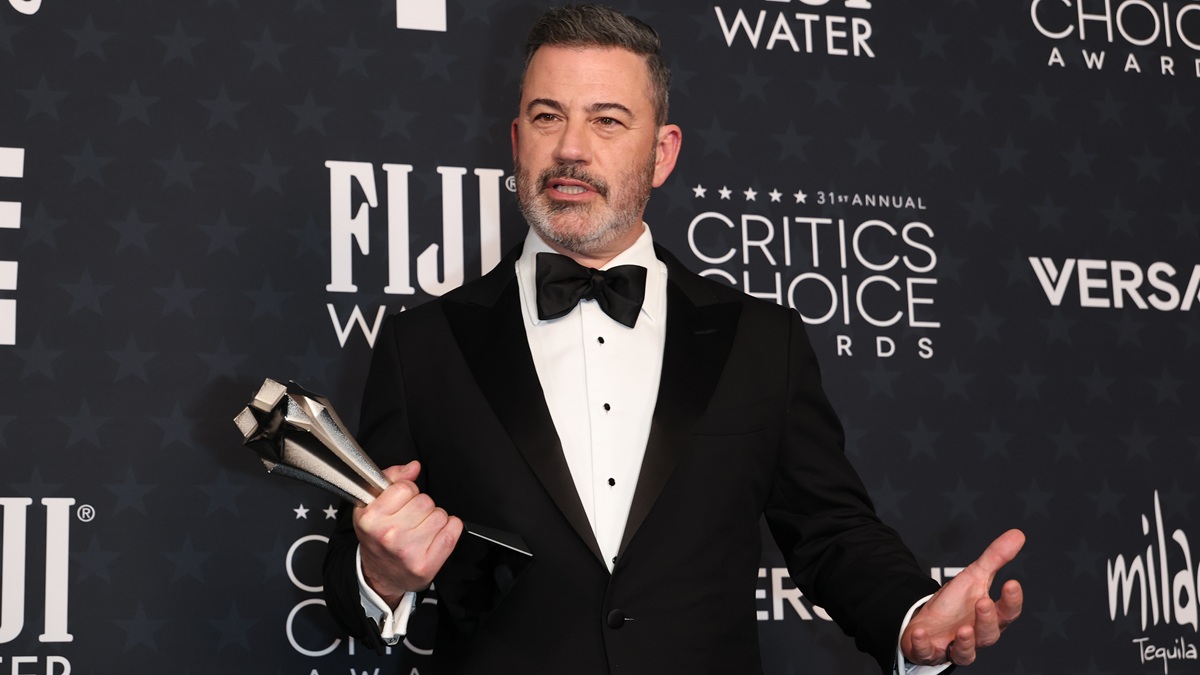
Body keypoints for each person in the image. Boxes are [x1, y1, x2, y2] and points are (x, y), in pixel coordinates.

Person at [323, 5, 1024, 674]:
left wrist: (910, 615)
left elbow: (831, 531)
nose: (570, 148)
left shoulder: (760, 341)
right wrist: (378, 573)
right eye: (547, 117)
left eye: (607, 121)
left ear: (662, 153)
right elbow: (352, 573)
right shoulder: (424, 346)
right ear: (516, 141)